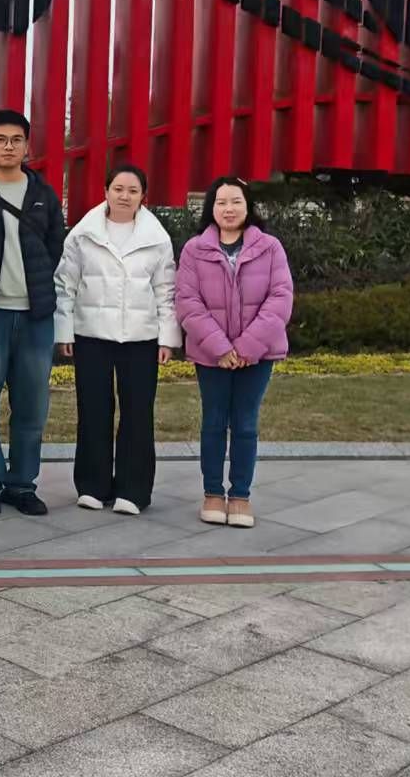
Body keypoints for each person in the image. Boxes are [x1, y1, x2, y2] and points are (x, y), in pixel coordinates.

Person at [53, 163, 181, 515]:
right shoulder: (83, 234)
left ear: (143, 196)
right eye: (118, 189)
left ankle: (133, 490)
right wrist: (65, 330)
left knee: (138, 413)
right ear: (106, 191)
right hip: (91, 334)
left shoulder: (157, 238)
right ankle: (92, 486)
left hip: (141, 337)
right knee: (93, 410)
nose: (125, 196)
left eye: (133, 191)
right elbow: (66, 285)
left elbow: (166, 290)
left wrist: (166, 339)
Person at [0, 108, 67, 517]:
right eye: (1, 139)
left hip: (35, 316)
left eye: (17, 140)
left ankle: (22, 484)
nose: (9, 147)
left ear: (26, 147)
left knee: (31, 407)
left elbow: (54, 246)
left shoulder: (43, 195)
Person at [175, 176, 294, 530]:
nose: (229, 209)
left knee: (245, 423)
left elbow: (280, 299)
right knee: (213, 422)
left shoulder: (270, 247)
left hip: (257, 356)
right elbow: (187, 302)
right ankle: (213, 493)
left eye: (236, 201)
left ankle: (240, 495)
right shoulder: (195, 249)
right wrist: (221, 348)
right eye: (221, 202)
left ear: (248, 206)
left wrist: (245, 348)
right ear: (211, 208)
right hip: (211, 355)